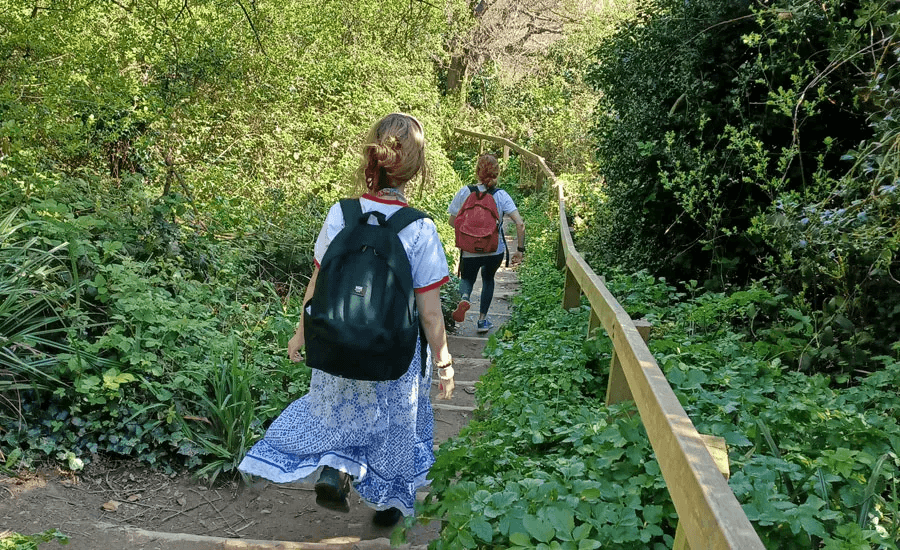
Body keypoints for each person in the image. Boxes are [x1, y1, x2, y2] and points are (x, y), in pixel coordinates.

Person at [238, 113, 455, 528]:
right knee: (393, 424)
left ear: (371, 158)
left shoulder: (341, 213)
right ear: (415, 167)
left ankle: (335, 467)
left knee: (337, 410)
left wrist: (301, 335)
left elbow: (317, 284)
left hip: (337, 341)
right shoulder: (420, 229)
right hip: (392, 354)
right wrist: (444, 362)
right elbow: (430, 312)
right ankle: (388, 503)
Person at [448, 154, 525, 333]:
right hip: (493, 249)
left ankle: (465, 297)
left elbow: (453, 221)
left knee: (467, 278)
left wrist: (469, 233)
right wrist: (520, 250)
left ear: (477, 172)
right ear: (497, 173)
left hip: (469, 250)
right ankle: (482, 321)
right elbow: (520, 224)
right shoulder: (501, 195)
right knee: (488, 279)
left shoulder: (465, 192)